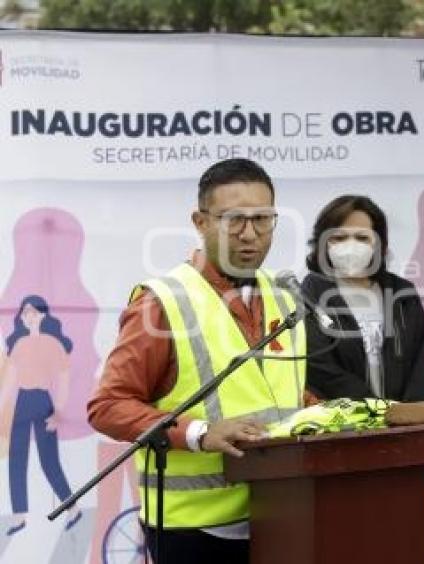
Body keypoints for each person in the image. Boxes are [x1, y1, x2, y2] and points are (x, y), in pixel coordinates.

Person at [88, 158, 306, 564]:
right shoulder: (163, 302)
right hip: (194, 529)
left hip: (280, 511)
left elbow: (283, 394)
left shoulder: (285, 298)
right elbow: (108, 407)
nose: (250, 234)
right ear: (200, 222)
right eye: (233, 220)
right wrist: (200, 433)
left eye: (263, 219)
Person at [301, 194, 424, 402]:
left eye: (362, 238)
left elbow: (420, 363)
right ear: (323, 243)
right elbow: (319, 366)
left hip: (402, 422)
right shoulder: (311, 292)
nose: (351, 246)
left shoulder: (403, 292)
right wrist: (375, 409)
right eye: (339, 237)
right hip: (342, 422)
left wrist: (409, 412)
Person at [1, 295, 82, 535]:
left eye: (33, 312)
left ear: (43, 315)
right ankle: (19, 516)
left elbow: (64, 381)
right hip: (23, 401)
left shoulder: (53, 344)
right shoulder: (18, 345)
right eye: (25, 313)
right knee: (17, 459)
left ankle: (72, 507)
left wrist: (57, 413)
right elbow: (10, 382)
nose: (29, 316)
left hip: (43, 401)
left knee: (49, 461)